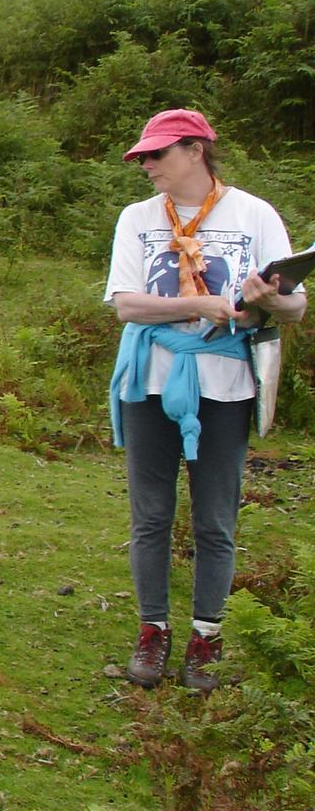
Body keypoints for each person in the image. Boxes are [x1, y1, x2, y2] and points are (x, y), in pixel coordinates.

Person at [105, 108, 304, 691]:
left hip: (225, 385)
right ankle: (152, 631)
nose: (147, 166)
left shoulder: (254, 214)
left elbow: (295, 306)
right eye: (142, 156)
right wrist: (202, 305)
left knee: (215, 517)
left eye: (157, 154)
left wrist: (270, 295)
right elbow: (126, 304)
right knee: (151, 514)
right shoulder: (137, 219)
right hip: (150, 381)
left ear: (195, 150)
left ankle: (205, 637)